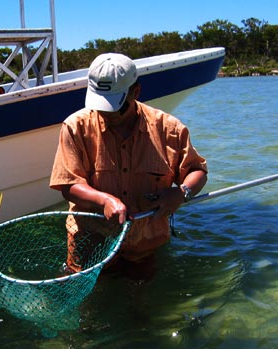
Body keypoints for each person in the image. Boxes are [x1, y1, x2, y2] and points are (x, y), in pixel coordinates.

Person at [49, 53, 208, 277]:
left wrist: (181, 193)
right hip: (90, 240)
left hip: (146, 243)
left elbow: (197, 170)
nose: (106, 112)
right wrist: (104, 200)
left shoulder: (169, 128)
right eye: (100, 104)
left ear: (136, 92)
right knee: (88, 308)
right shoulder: (75, 127)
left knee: (142, 304)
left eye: (115, 105)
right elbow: (68, 184)